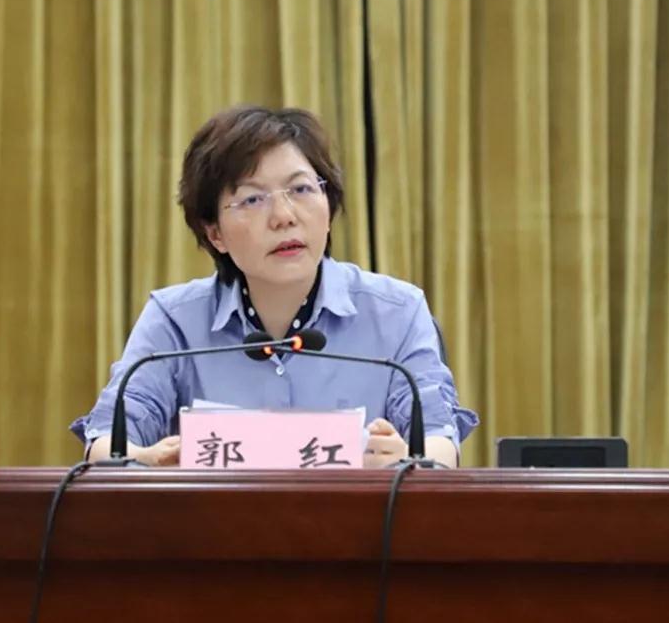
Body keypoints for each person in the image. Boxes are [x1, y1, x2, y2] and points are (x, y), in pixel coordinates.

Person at [70, 106, 478, 467]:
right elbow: (106, 441)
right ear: (215, 234)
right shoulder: (175, 320)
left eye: (301, 189)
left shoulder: (397, 311)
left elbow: (440, 439)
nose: (284, 216)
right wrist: (145, 460)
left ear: (328, 206)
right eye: (252, 199)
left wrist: (408, 458)